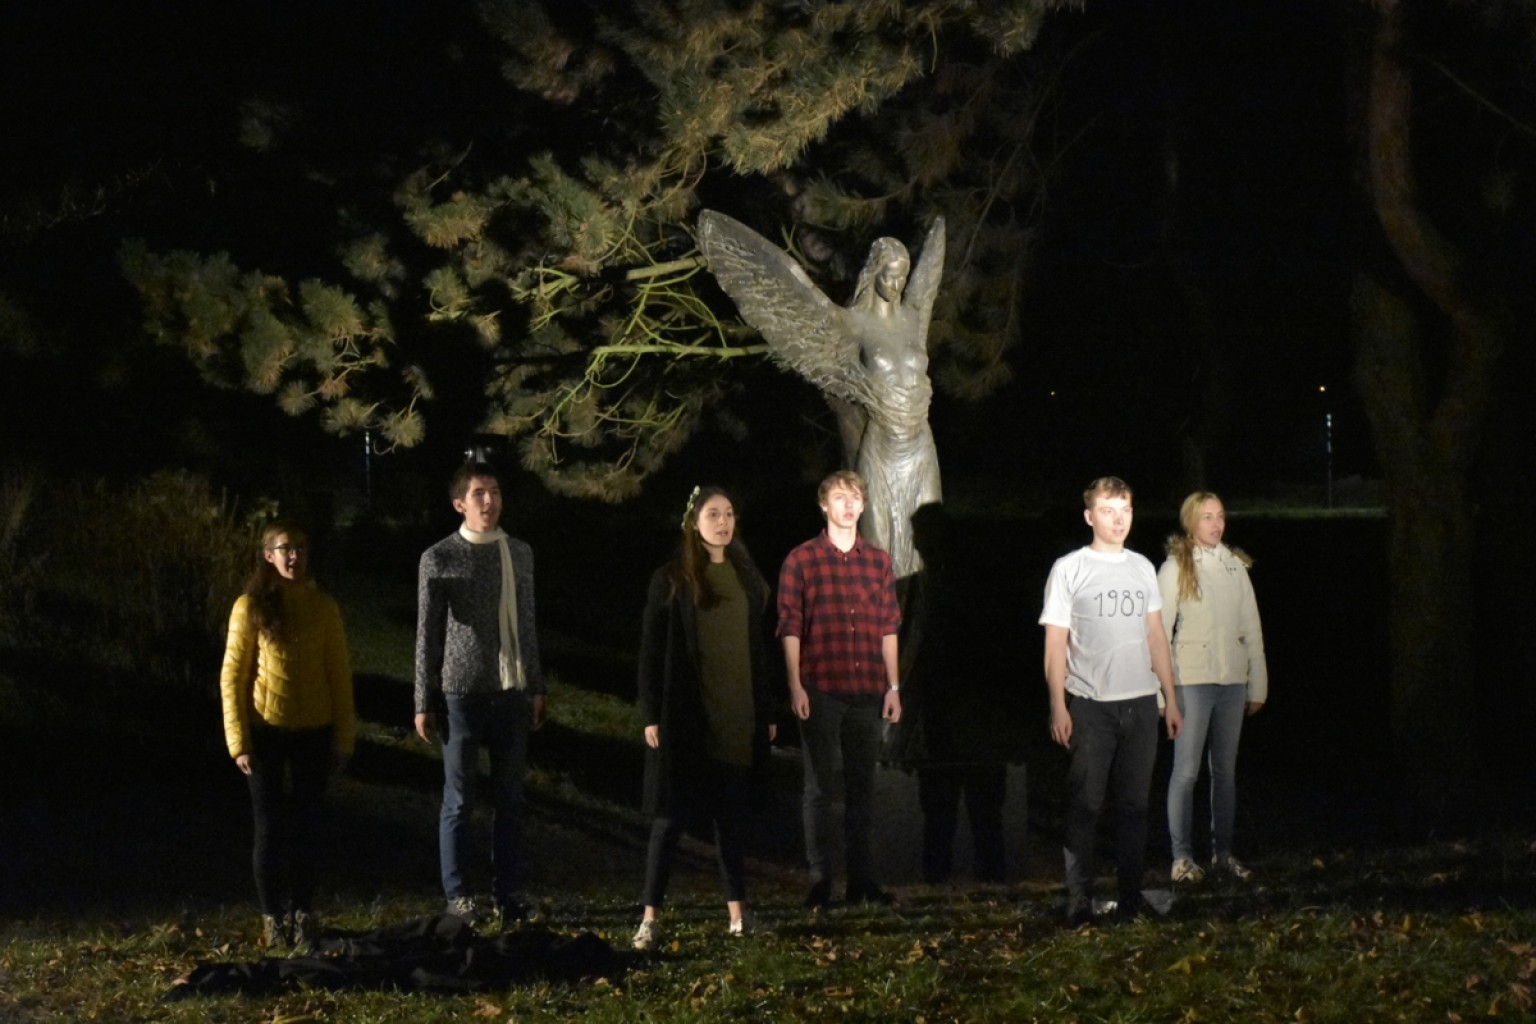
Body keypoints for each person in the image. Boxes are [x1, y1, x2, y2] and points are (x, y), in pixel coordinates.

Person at [631, 485, 779, 951]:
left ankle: (738, 915)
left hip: (736, 712)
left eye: (728, 513)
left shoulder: (746, 576)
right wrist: (651, 713)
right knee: (670, 818)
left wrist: (765, 709)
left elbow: (757, 650)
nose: (722, 522)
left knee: (730, 819)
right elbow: (650, 651)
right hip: (687, 715)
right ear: (693, 522)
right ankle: (650, 919)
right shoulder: (672, 578)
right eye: (713, 514)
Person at [1039, 477, 1182, 925]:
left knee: (1135, 807)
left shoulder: (1142, 568)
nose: (1118, 520)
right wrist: (1058, 704)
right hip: (1090, 705)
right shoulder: (1069, 569)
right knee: (1085, 805)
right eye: (1108, 510)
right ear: (1090, 516)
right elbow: (1055, 644)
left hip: (1139, 705)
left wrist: (1170, 697)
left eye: (1125, 510)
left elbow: (1155, 635)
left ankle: (1131, 899)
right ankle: (1079, 900)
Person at [414, 462, 547, 927]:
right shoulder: (440, 557)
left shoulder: (519, 553)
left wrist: (536, 686)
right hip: (462, 694)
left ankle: (508, 893)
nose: (489, 501)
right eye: (478, 494)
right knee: (459, 799)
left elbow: (527, 622)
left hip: (510, 691)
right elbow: (428, 633)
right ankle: (459, 896)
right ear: (460, 504)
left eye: (494, 492)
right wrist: (423, 699)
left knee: (510, 799)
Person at [220, 521, 355, 950]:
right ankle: (272, 917)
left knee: (308, 825)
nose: (294, 556)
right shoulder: (250, 606)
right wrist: (238, 741)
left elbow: (340, 676)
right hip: (266, 733)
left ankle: (301, 913)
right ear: (269, 555)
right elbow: (232, 676)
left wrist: (344, 738)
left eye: (300, 548)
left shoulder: (324, 607)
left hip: (314, 732)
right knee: (270, 827)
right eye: (285, 549)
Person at [778, 469, 903, 908]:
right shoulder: (801, 560)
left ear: (863, 505)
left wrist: (893, 686)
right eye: (839, 497)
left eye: (854, 498)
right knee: (820, 787)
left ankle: (861, 880)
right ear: (824, 505)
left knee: (862, 789)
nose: (848, 505)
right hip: (822, 687)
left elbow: (888, 627)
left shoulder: (878, 561)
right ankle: (820, 880)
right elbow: (790, 625)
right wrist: (795, 684)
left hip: (867, 689)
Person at [1158, 492, 1268, 884]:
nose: (1216, 523)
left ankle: (1223, 854)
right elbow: (1158, 631)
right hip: (1191, 681)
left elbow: (1251, 628)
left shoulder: (1235, 567)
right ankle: (1181, 857)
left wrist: (1257, 683)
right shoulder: (1175, 567)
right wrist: (1162, 692)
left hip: (1231, 682)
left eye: (1220, 516)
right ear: (1190, 521)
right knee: (1186, 771)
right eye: (1207, 517)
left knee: (1224, 772)